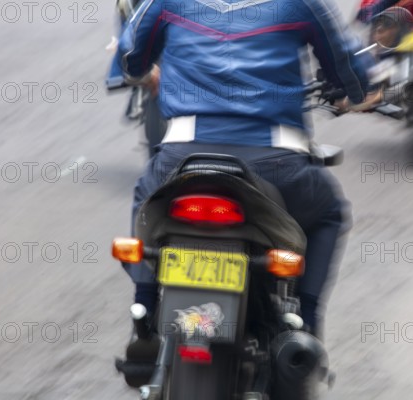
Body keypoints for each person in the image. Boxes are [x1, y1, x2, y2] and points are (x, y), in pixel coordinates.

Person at [116, 0, 380, 337]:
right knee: (329, 214)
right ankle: (307, 323)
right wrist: (358, 94)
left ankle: (144, 303)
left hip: (181, 161)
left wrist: (144, 73)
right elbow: (346, 60)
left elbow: (130, 53)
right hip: (276, 165)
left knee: (146, 199)